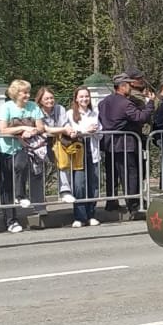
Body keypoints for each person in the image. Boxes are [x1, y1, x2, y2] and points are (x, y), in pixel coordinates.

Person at [97, 73, 154, 215]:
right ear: (122, 87)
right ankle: (133, 205)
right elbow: (140, 117)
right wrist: (150, 104)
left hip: (108, 143)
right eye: (128, 85)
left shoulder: (103, 102)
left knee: (112, 173)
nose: (130, 87)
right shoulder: (125, 103)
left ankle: (111, 202)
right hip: (124, 144)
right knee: (130, 174)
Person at [0, 79, 46, 232]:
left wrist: (32, 131)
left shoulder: (33, 107)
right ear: (16, 93)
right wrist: (23, 127)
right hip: (5, 150)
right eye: (24, 92)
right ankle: (11, 221)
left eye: (28, 92)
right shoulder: (7, 107)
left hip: (24, 149)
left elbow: (41, 127)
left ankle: (21, 195)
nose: (27, 95)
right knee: (6, 186)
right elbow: (3, 129)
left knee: (21, 166)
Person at [65, 86, 102, 225]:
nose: (84, 99)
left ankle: (91, 214)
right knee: (79, 184)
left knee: (93, 185)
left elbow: (100, 134)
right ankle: (79, 216)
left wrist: (95, 131)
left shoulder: (94, 113)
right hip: (77, 151)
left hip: (92, 151)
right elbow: (69, 132)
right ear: (76, 98)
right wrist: (84, 131)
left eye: (86, 96)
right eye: (81, 96)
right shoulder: (69, 114)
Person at [36, 85, 78, 203]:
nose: (50, 101)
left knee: (62, 164)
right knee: (39, 172)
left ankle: (65, 191)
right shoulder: (36, 111)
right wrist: (62, 130)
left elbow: (65, 123)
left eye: (51, 98)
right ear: (40, 100)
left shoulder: (60, 109)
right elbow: (45, 129)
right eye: (46, 99)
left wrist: (69, 130)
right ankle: (39, 202)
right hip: (40, 143)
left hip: (58, 141)